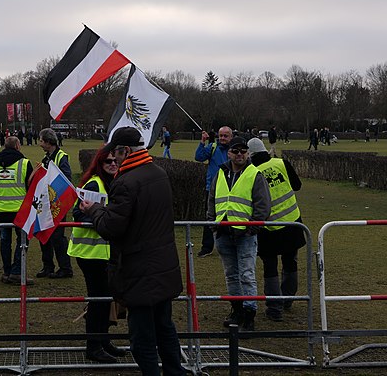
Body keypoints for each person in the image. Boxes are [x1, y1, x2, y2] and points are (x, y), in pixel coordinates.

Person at [79, 127, 184, 375]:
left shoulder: (125, 182)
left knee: (142, 338)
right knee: (165, 328)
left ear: (126, 150)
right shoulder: (159, 173)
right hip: (164, 266)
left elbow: (111, 228)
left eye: (116, 154)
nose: (113, 159)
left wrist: (93, 210)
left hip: (138, 271)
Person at [68, 145, 126, 363]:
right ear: (99, 164)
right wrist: (99, 220)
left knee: (105, 299)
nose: (112, 164)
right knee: (98, 299)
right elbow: (77, 213)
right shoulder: (95, 183)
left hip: (104, 252)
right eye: (107, 161)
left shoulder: (114, 184)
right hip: (89, 252)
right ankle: (93, 346)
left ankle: (103, 341)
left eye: (115, 161)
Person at [206, 136, 271, 332]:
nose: (240, 154)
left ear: (248, 153)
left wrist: (252, 228)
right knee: (231, 275)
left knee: (247, 275)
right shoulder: (221, 173)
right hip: (223, 233)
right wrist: (212, 223)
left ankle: (249, 315)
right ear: (229, 153)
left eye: (244, 151)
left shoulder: (254, 174)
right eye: (236, 151)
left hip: (245, 235)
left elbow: (263, 205)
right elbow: (212, 199)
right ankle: (237, 310)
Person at [247, 138, 306, 322]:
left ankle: (274, 308)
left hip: (268, 228)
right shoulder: (282, 163)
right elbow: (297, 186)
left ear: (250, 154)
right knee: (291, 262)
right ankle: (288, 298)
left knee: (270, 267)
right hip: (292, 223)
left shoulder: (252, 172)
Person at [0, 136, 33, 285]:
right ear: (18, 146)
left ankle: (7, 271)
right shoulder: (25, 163)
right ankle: (16, 271)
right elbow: (31, 187)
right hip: (20, 210)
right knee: (23, 241)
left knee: (4, 241)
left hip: (1, 209)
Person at [36, 128, 73, 279]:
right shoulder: (46, 158)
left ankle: (65, 268)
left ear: (48, 142)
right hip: (46, 204)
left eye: (41, 141)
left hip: (57, 205)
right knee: (43, 235)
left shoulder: (61, 157)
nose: (39, 144)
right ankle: (48, 266)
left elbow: (66, 179)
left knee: (58, 238)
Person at [194, 125, 235, 258]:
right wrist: (202, 142)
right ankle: (207, 247)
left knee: (231, 217)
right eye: (221, 135)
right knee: (209, 218)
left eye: (225, 136)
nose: (222, 138)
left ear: (231, 137)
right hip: (212, 189)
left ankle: (232, 245)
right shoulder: (212, 147)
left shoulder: (235, 150)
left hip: (232, 189)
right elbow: (199, 157)